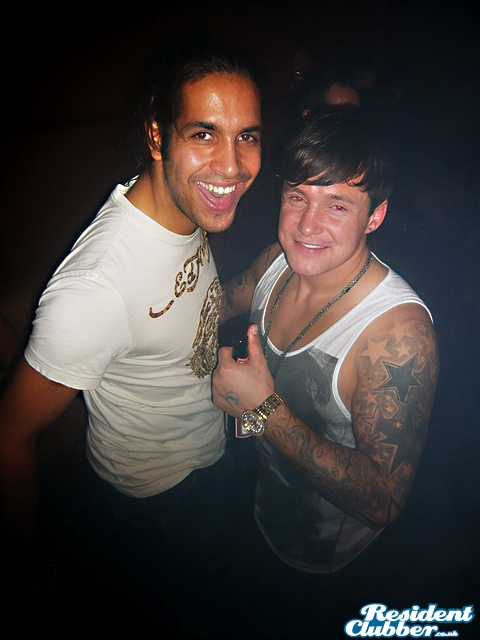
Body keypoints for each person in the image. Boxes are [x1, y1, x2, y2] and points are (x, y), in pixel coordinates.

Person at [0, 37, 262, 634]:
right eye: (204, 134)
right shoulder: (94, 290)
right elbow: (9, 434)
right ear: (157, 137)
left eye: (246, 135)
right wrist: (30, 570)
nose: (232, 165)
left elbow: (188, 307)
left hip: (212, 446)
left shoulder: (187, 204)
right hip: (160, 501)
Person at [213, 107, 438, 578]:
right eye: (298, 197)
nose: (306, 226)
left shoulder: (398, 334)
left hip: (323, 564)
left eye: (337, 205)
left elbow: (384, 501)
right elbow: (213, 305)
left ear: (375, 216)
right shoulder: (274, 263)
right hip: (257, 508)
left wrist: (262, 409)